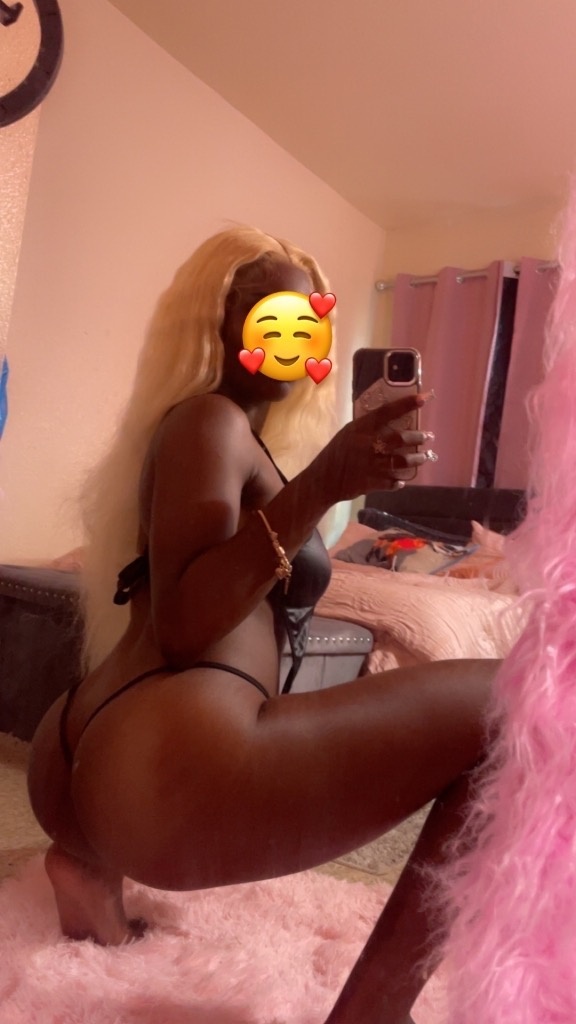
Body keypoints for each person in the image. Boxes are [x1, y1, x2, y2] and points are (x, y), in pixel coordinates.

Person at [27, 226, 497, 1024]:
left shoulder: (205, 431)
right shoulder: (210, 421)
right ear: (213, 322)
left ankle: (87, 867)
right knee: (517, 701)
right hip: (170, 758)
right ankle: (375, 1013)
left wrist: (323, 483)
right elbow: (187, 626)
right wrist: (325, 481)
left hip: (83, 750)